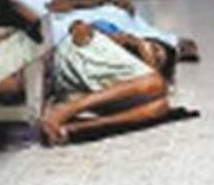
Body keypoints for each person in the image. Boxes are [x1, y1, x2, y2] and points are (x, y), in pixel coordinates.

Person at [41, 20, 170, 145]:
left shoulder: (135, 72)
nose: (152, 53)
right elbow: (78, 26)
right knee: (157, 84)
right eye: (155, 48)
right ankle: (65, 111)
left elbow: (149, 82)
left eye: (157, 59)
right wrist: (131, 40)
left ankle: (78, 128)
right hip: (77, 55)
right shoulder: (113, 34)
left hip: (83, 89)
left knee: (161, 106)